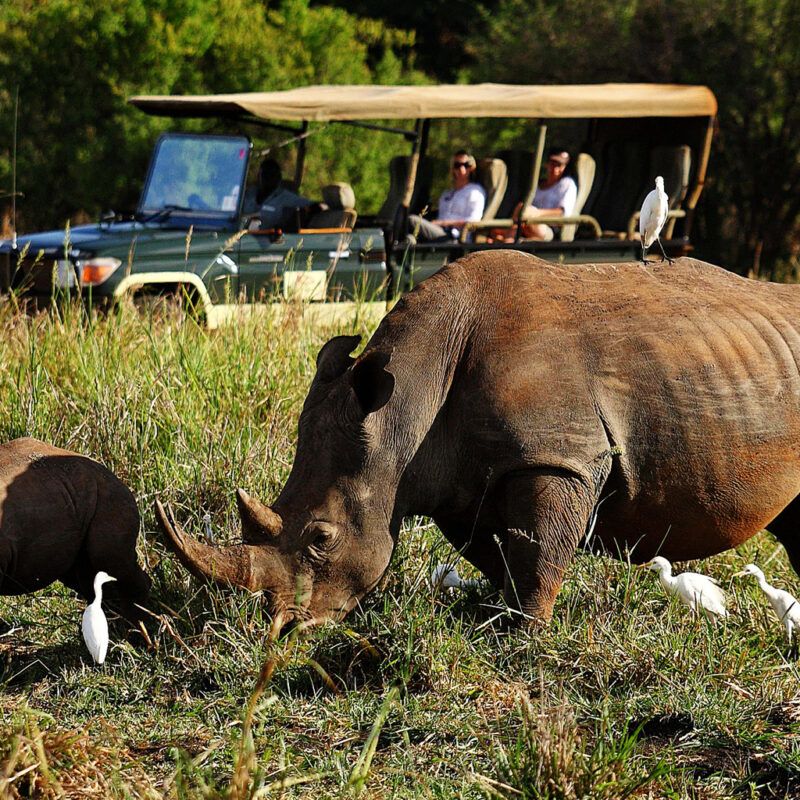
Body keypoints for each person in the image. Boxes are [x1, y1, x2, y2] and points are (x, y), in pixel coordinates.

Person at [492, 148, 578, 242]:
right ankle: (510, 237)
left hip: (548, 228)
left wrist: (538, 213)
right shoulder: (538, 184)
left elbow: (563, 212)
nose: (555, 168)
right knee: (495, 230)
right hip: (527, 222)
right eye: (552, 164)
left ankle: (509, 240)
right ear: (547, 164)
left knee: (524, 210)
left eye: (560, 165)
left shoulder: (567, 184)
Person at [407, 150, 486, 242]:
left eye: (466, 165)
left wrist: (442, 223)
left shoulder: (475, 191)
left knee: (412, 220)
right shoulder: (447, 194)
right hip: (438, 233)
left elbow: (473, 221)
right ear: (452, 168)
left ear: (471, 168)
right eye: (457, 165)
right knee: (409, 239)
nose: (462, 169)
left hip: (454, 236)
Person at [243, 157, 312, 230]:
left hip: (271, 239)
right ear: (258, 176)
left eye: (271, 175)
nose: (267, 178)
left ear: (278, 177)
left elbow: (315, 206)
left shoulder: (288, 198)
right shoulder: (247, 195)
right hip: (238, 237)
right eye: (264, 174)